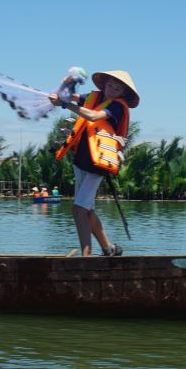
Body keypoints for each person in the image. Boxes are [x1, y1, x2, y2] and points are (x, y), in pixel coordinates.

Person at [50, 70, 140, 257]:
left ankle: (86, 257)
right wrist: (65, 84)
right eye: (110, 85)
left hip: (96, 166)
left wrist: (65, 105)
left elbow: (93, 116)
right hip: (81, 160)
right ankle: (108, 249)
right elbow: (67, 96)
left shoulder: (116, 106)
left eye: (117, 88)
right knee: (88, 211)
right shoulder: (94, 96)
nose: (112, 91)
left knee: (78, 210)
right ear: (104, 83)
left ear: (123, 92)